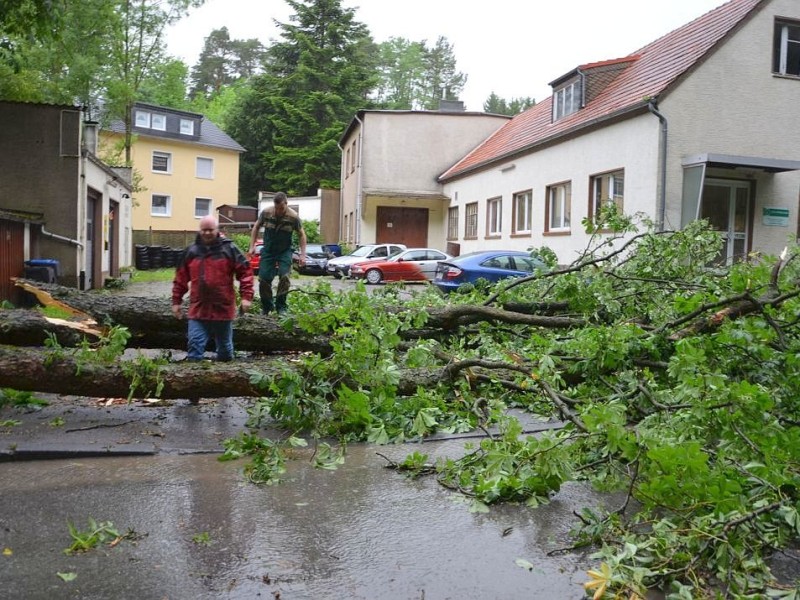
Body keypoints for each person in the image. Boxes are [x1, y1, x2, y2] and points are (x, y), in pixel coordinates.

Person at [172, 215, 254, 361]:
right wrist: (176, 301)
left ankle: (225, 378)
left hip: (223, 307)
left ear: (217, 230)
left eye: (210, 230)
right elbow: (180, 278)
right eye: (204, 230)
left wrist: (246, 297)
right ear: (199, 230)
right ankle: (193, 378)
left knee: (225, 350)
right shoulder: (191, 251)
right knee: (194, 345)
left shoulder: (229, 249)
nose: (207, 233)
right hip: (199, 308)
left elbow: (245, 272)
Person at [248, 191, 306, 314]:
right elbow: (256, 227)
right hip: (268, 251)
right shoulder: (266, 213)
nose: (279, 211)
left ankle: (281, 306)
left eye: (281, 208)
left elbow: (301, 234)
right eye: (277, 208)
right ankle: (267, 307)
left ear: (286, 203)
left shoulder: (293, 217)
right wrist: (252, 246)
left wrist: (302, 254)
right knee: (263, 279)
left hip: (284, 251)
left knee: (284, 277)